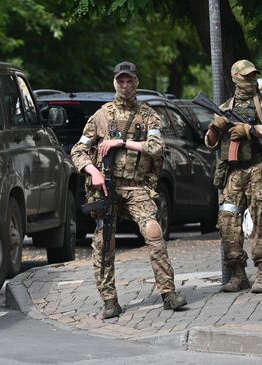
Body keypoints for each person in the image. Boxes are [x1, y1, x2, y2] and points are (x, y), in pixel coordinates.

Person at [71, 61, 187, 319]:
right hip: (107, 189)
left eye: (129, 81)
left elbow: (157, 147)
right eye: (121, 81)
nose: (125, 85)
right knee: (104, 242)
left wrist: (123, 142)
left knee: (154, 233)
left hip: (136, 187)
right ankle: (109, 300)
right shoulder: (101, 116)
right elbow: (77, 150)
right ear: (115, 82)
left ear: (136, 82)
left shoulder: (148, 116)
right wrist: (94, 171)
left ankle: (168, 293)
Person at [205, 60, 262, 293]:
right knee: (228, 223)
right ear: (235, 77)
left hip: (260, 168)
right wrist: (214, 128)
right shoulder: (225, 108)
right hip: (234, 174)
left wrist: (250, 130)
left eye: (253, 76)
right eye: (246, 76)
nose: (250, 80)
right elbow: (210, 144)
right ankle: (238, 274)